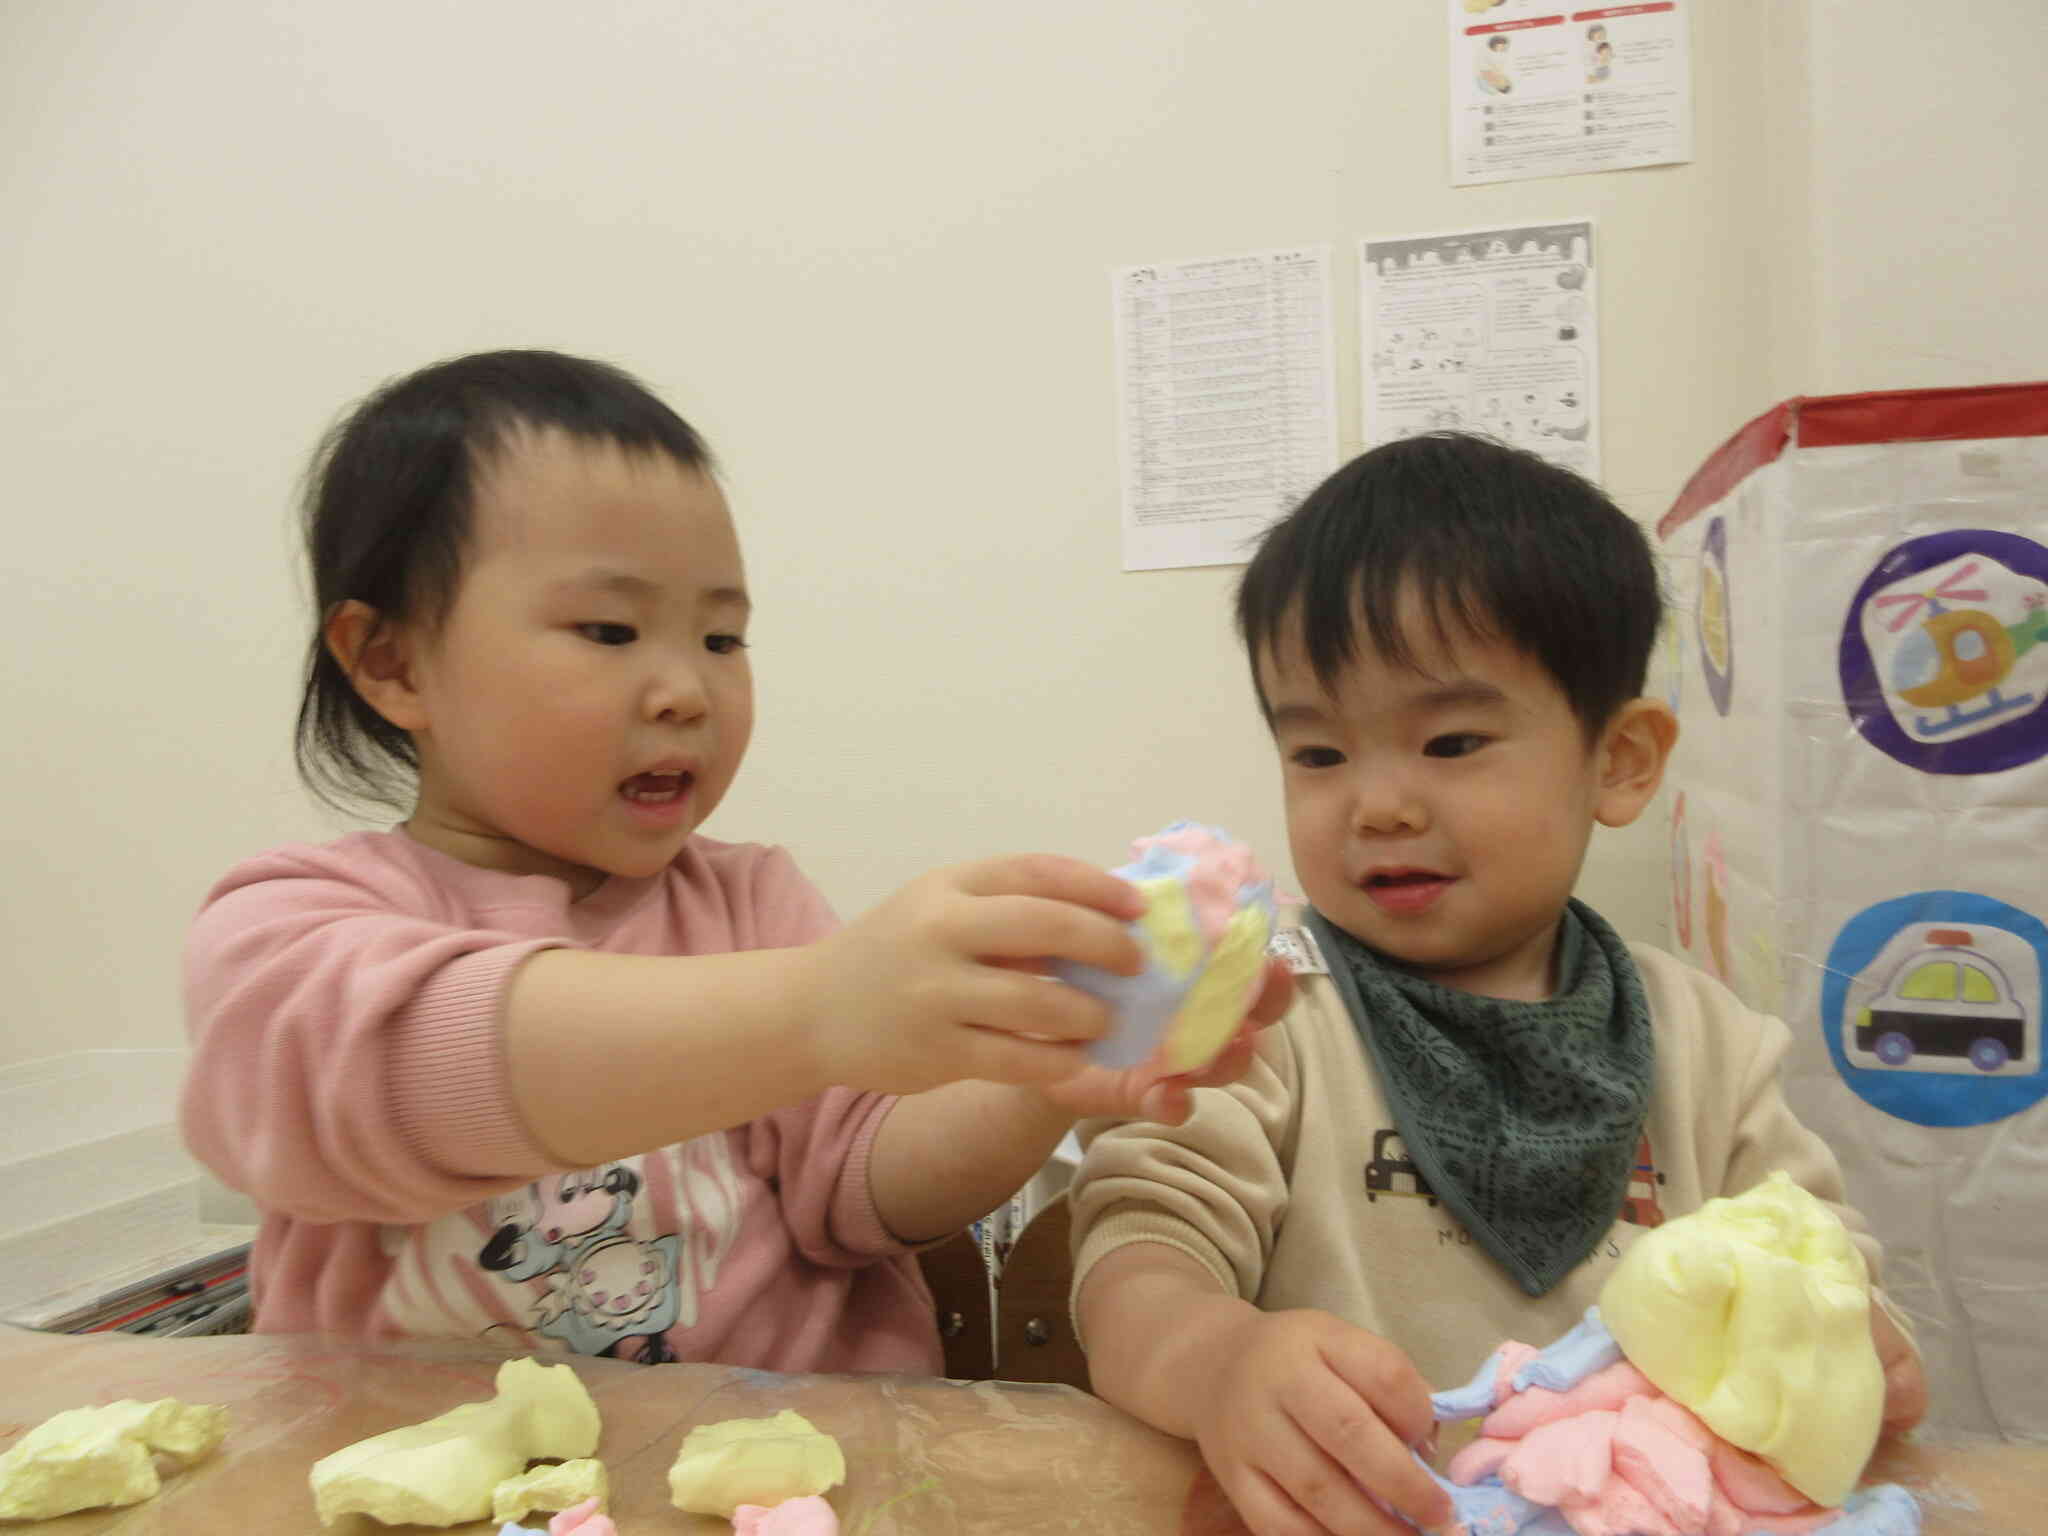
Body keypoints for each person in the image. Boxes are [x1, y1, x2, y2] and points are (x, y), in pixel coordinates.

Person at [180, 349, 1287, 1374]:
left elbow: (863, 1191)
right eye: (610, 633)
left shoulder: (753, 902)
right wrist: (818, 1008)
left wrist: (1036, 1073)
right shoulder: (293, 924)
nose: (686, 689)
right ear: (392, 662)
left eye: (721, 638)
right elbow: (397, 1070)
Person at [1066, 434, 1927, 1536]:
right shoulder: (1268, 1013)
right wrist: (1217, 1359)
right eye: (1317, 755)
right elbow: (1135, 1252)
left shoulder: (1706, 1044)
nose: (1374, 804)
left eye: (1451, 741)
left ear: (1616, 762)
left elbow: (1823, 1276)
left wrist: (1855, 1346)